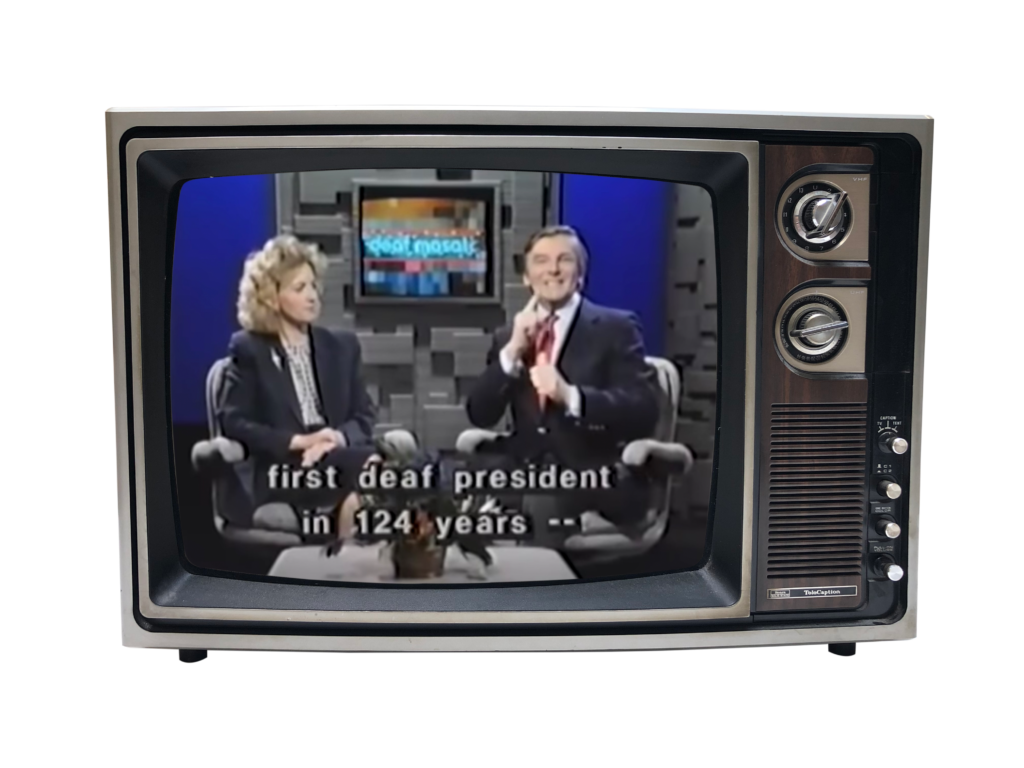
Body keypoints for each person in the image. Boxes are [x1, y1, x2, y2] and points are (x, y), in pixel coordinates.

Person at [464, 225, 660, 541]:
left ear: (580, 274)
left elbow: (643, 410)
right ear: (527, 277)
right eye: (541, 261)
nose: (552, 270)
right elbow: (480, 413)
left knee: (540, 504)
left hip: (593, 474)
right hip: (523, 471)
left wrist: (571, 396)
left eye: (564, 260)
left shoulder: (616, 327)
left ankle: (540, 587)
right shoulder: (509, 336)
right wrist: (512, 351)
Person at [217, 235, 379, 537]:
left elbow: (365, 416)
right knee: (380, 470)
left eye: (313, 286)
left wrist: (333, 439)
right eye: (299, 288)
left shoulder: (341, 347)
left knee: (379, 479)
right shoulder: (250, 349)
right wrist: (301, 442)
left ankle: (347, 567)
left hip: (339, 457)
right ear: (271, 297)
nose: (312, 296)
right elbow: (235, 422)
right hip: (286, 469)